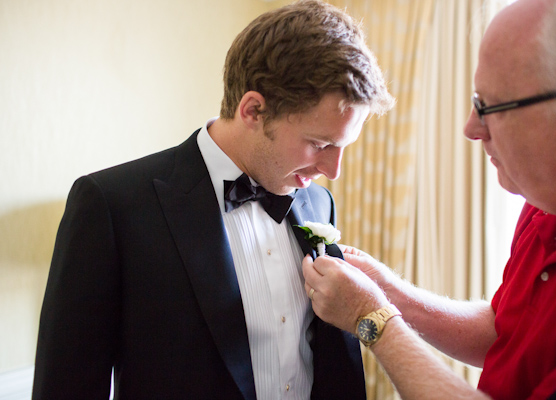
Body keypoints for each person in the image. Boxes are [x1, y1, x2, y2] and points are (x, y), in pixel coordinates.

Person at [32, 1, 394, 398]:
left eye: (342, 146)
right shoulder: (112, 206)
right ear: (253, 109)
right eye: (319, 143)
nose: (333, 170)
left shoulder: (318, 203)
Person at [302, 0, 556, 398]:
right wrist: (390, 289)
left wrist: (371, 316)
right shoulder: (548, 200)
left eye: (489, 106)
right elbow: (504, 331)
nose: (471, 128)